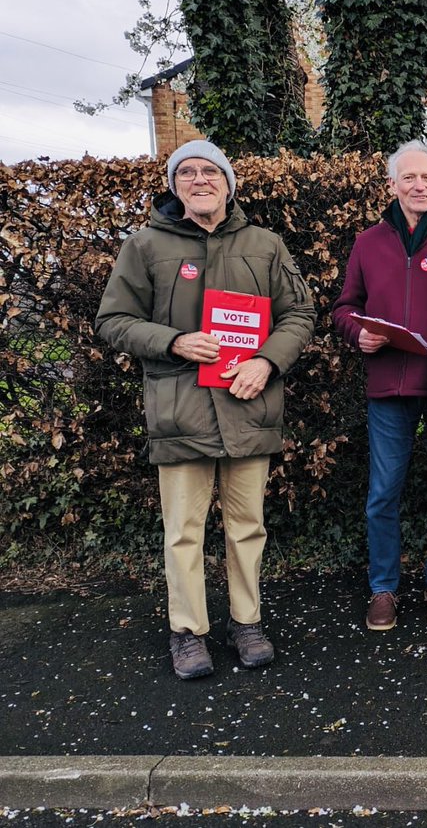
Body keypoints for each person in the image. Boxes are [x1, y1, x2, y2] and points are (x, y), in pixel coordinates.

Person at [95, 139, 316, 679]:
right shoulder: (145, 246)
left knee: (247, 526)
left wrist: (266, 362)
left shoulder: (265, 244)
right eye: (187, 172)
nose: (200, 180)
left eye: (210, 171)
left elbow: (300, 313)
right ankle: (187, 632)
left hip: (249, 405)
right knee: (184, 531)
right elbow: (113, 320)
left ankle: (247, 621)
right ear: (174, 186)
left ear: (228, 182)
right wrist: (173, 341)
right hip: (180, 409)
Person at [332, 141, 427, 631]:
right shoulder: (368, 241)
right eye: (409, 178)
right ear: (391, 185)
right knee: (383, 493)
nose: (420, 186)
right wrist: (360, 332)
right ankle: (383, 588)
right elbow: (344, 306)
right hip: (388, 388)